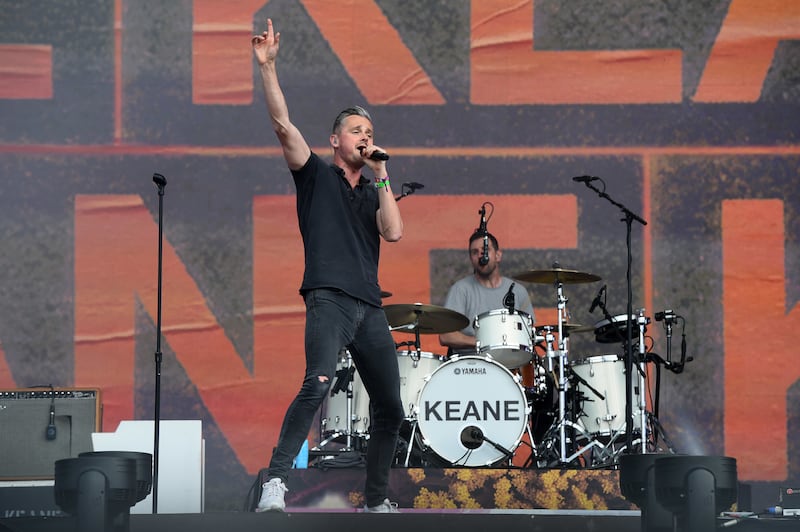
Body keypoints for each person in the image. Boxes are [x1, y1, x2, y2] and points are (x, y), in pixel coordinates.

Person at [251, 19, 405, 513]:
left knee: (391, 410)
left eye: (371, 132)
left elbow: (395, 232)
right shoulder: (315, 174)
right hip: (329, 299)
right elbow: (282, 125)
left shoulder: (371, 189)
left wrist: (382, 174)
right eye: (357, 131)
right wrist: (269, 68)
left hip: (368, 306)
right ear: (335, 140)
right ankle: (276, 482)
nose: (366, 137)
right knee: (317, 382)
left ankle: (375, 501)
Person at [439, 230, 535, 357]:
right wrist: (483, 342)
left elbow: (529, 336)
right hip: (470, 365)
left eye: (485, 250)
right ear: (471, 258)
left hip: (508, 365)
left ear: (498, 255)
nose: (480, 256)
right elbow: (446, 336)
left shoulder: (518, 291)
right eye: (475, 252)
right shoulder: (460, 289)